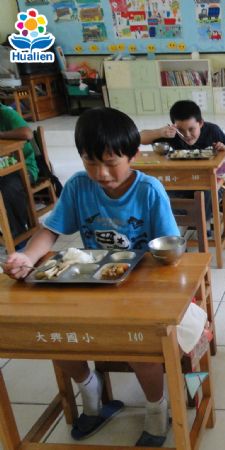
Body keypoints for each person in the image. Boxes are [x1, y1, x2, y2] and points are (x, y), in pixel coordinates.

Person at [2, 107, 180, 447]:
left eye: (111, 163)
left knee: (138, 348)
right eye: (90, 162)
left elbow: (167, 247)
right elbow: (50, 231)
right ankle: (91, 390)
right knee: (53, 336)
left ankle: (157, 409)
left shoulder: (149, 190)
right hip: (91, 283)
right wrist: (26, 256)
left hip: (138, 287)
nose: (101, 173)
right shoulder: (78, 186)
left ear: (133, 155)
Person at [140, 100, 225, 234]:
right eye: (181, 130)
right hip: (185, 180)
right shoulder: (173, 134)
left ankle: (202, 222)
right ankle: (183, 222)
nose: (187, 135)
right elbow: (140, 138)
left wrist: (223, 148)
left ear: (201, 123)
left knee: (205, 193)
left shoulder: (212, 130)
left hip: (213, 181)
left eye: (191, 129)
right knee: (161, 193)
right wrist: (160, 132)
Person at [0, 103, 39, 242]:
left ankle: (19, 236)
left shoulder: (6, 113)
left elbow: (27, 134)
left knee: (7, 189)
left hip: (24, 168)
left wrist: (2, 135)